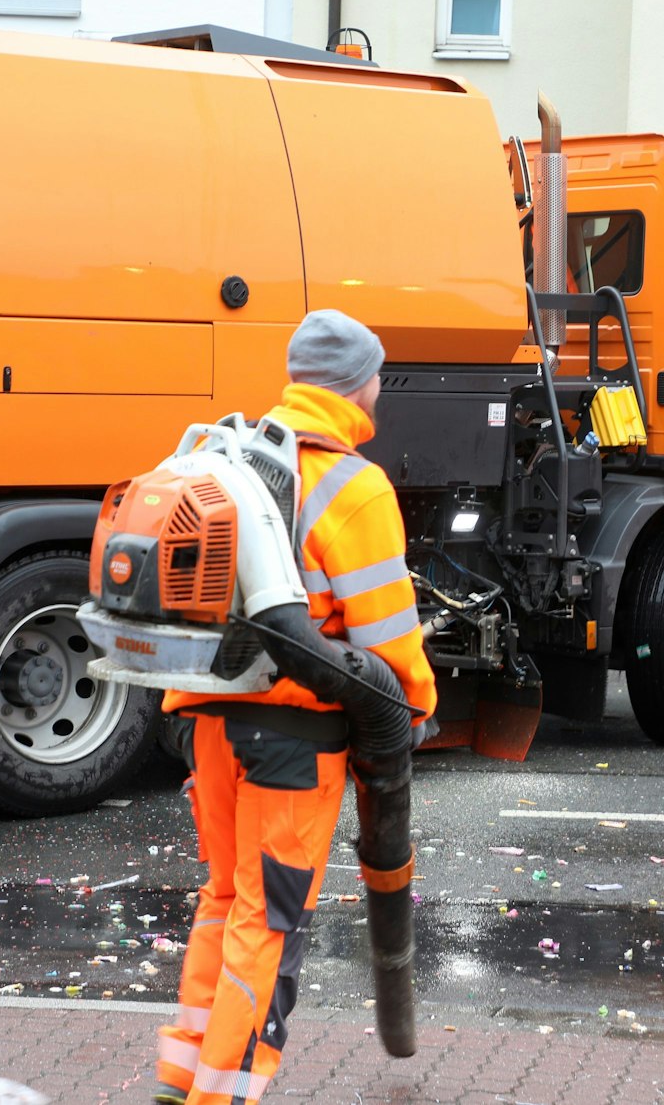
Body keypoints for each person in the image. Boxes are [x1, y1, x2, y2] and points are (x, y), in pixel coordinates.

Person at [155, 309, 437, 1104]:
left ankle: (182, 1076)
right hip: (294, 736)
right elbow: (387, 639)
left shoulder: (230, 457)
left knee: (224, 899)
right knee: (269, 921)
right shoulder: (352, 484)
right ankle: (225, 1092)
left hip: (210, 718)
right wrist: (414, 711)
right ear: (361, 385)